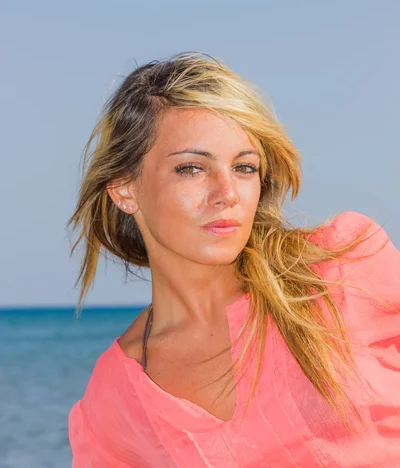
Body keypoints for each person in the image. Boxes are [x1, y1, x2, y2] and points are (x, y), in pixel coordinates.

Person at [67, 52, 400, 467]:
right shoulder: (117, 399)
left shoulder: (341, 272)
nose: (227, 193)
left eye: (244, 168)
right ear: (124, 189)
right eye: (191, 168)